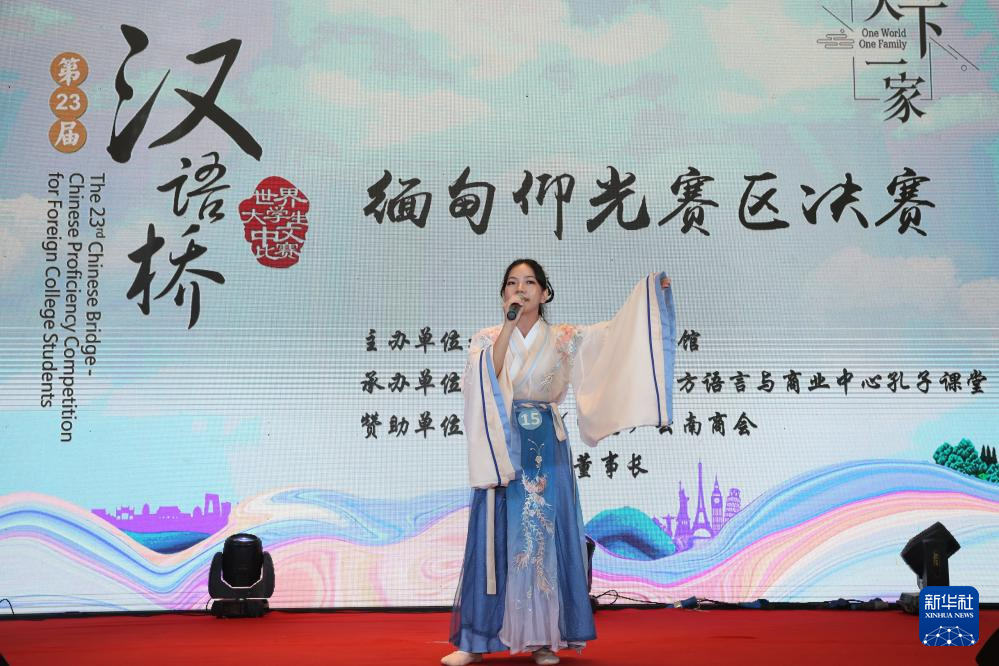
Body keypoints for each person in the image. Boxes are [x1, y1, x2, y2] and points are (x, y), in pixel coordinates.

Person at [443, 259, 676, 666]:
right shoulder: (487, 338)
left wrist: (651, 297)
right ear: (503, 295)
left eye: (529, 282)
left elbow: (616, 339)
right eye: (512, 283)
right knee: (495, 534)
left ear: (545, 292)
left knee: (544, 535)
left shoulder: (565, 338)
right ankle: (477, 640)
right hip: (502, 445)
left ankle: (544, 639)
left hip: (546, 445)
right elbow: (485, 379)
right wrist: (508, 328)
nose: (520, 289)